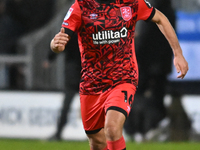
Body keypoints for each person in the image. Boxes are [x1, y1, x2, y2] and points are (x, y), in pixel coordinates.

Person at [50, 0, 188, 149]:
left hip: (123, 78)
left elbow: (160, 18)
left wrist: (178, 53)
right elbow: (60, 40)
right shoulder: (80, 6)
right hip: (92, 83)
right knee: (97, 141)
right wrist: (55, 45)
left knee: (112, 128)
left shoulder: (131, 3)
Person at [124, 0, 176, 142]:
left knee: (136, 97)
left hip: (145, 64)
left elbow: (142, 38)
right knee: (154, 98)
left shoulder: (150, 9)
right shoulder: (169, 10)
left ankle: (137, 129)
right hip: (160, 65)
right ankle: (148, 129)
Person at [44, 34, 81, 141]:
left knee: (66, 106)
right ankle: (98, 134)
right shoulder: (90, 32)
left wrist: (49, 59)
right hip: (88, 75)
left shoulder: (70, 34)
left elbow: (58, 45)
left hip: (72, 75)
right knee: (94, 106)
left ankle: (58, 133)